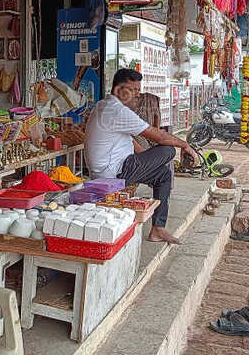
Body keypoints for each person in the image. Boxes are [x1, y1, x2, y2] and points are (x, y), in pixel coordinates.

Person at [78, 68, 192, 244]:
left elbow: (131, 143)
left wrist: (147, 162)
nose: (137, 95)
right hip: (114, 173)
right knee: (168, 150)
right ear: (118, 91)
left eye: (138, 91)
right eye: (132, 90)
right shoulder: (116, 110)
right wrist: (184, 145)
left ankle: (158, 229)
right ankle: (157, 228)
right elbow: (158, 136)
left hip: (115, 168)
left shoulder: (104, 105)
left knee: (163, 174)